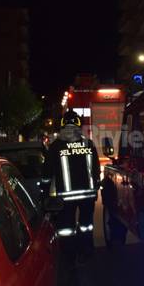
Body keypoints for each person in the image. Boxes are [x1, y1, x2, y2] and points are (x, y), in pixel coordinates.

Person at [45, 110, 100, 263]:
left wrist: (45, 190)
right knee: (86, 225)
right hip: (87, 195)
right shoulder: (88, 143)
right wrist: (95, 187)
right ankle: (87, 251)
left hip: (65, 197)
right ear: (78, 125)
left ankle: (69, 255)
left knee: (66, 228)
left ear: (62, 125)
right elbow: (96, 169)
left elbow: (47, 172)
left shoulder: (55, 146)